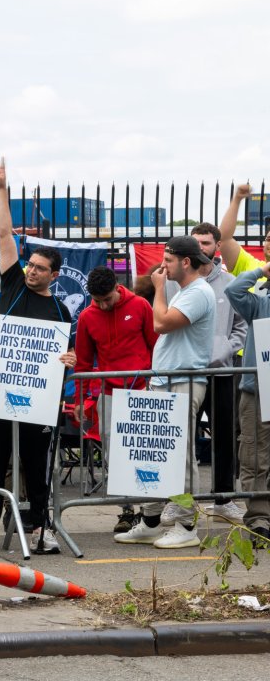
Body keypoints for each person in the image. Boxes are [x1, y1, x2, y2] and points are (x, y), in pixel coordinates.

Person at [0, 159, 74, 556]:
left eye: (41, 269)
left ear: (54, 275)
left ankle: (40, 529)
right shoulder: (12, 285)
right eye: (31, 265)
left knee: (37, 469)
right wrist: (2, 188)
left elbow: (65, 356)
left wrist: (69, 361)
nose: (32, 272)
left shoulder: (62, 312)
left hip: (37, 404)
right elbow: (4, 232)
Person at [114, 235, 215, 549]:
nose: (162, 266)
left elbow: (161, 324)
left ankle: (186, 525)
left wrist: (159, 289)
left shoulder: (198, 291)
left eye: (168, 260)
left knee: (181, 456)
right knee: (156, 454)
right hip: (167, 381)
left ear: (186, 262)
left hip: (183, 382)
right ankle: (151, 520)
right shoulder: (188, 290)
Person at [165, 224, 245, 520]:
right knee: (180, 436)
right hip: (185, 372)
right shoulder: (173, 282)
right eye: (196, 242)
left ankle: (224, 499)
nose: (201, 247)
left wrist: (222, 350)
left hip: (221, 372)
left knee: (224, 435)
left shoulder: (231, 282)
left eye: (206, 242)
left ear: (217, 246)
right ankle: (181, 501)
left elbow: (242, 327)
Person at [73, 265, 157, 533]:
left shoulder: (141, 305)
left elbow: (156, 346)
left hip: (142, 389)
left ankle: (149, 510)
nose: (103, 305)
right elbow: (83, 362)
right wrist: (79, 400)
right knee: (113, 453)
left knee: (145, 450)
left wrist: (156, 383)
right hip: (109, 393)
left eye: (107, 299)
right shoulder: (88, 316)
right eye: (97, 301)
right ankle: (126, 510)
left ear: (117, 289)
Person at [225, 259, 270, 542]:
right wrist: (260, 271)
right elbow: (233, 291)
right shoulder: (260, 302)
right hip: (257, 390)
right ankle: (259, 520)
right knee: (254, 456)